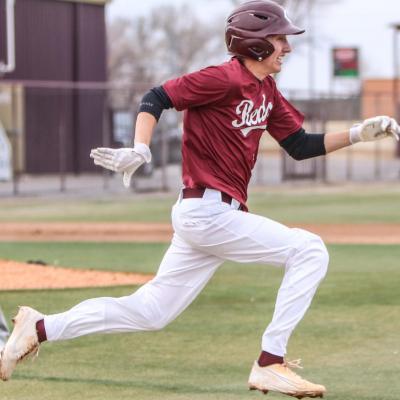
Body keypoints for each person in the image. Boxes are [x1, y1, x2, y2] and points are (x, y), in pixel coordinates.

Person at [1, 1, 398, 397]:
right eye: (280, 40)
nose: (287, 48)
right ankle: (269, 362)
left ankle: (38, 327)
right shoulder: (223, 79)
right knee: (310, 250)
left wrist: (358, 133)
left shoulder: (267, 90)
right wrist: (141, 148)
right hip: (207, 212)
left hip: (209, 216)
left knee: (150, 312)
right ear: (257, 44)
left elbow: (299, 144)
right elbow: (156, 97)